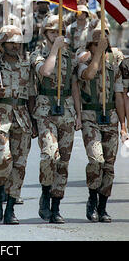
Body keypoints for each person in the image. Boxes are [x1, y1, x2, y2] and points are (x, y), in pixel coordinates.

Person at [30, 15, 82, 224]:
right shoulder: (37, 54)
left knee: (64, 162)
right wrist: (54, 50)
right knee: (49, 155)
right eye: (52, 32)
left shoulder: (69, 56)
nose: (56, 35)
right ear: (45, 34)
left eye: (59, 32)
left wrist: (78, 114)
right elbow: (46, 71)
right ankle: (45, 192)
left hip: (67, 111)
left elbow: (75, 86)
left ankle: (56, 205)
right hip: (45, 110)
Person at [0, 25, 33, 225]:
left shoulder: (27, 65)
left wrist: (34, 122)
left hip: (22, 117)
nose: (14, 46)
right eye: (10, 43)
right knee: (3, 158)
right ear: (1, 44)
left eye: (17, 43)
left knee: (19, 165)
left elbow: (32, 96)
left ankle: (10, 208)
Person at [76, 22, 125, 223]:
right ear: (90, 47)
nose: (101, 48)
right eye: (97, 45)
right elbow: (88, 75)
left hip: (110, 118)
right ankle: (92, 197)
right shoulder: (83, 64)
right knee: (96, 159)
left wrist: (123, 125)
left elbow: (120, 95)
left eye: (103, 45)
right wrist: (98, 54)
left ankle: (103, 205)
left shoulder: (114, 69)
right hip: (90, 118)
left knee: (109, 166)